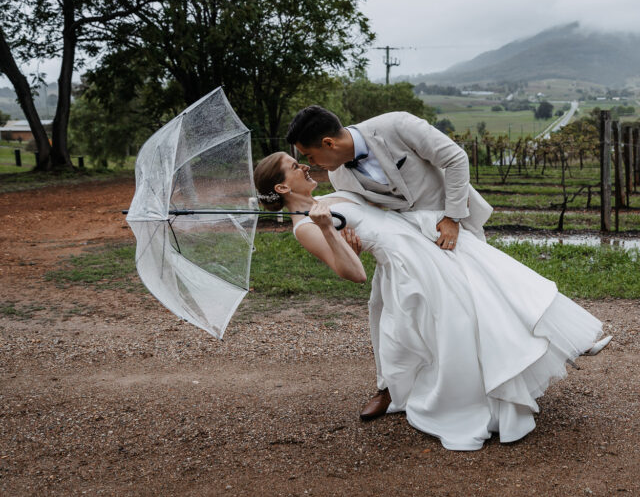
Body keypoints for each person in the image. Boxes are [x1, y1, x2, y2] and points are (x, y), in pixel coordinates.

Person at [253, 151, 608, 451]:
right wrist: (330, 232)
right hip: (409, 268)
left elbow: (380, 213)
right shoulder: (304, 226)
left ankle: (562, 345)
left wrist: (348, 233)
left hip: (424, 243)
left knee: (494, 296)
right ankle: (467, 399)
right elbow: (354, 273)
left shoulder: (331, 196)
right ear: (282, 187)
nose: (303, 165)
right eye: (293, 166)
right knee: (456, 328)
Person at [285, 107, 494, 420]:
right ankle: (390, 387)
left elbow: (455, 159)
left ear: (328, 143)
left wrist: (452, 218)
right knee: (383, 307)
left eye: (310, 156)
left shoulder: (396, 125)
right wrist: (355, 240)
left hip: (449, 227)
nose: (311, 165)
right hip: (407, 242)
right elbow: (371, 212)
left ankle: (484, 377)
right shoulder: (339, 174)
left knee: (474, 301)